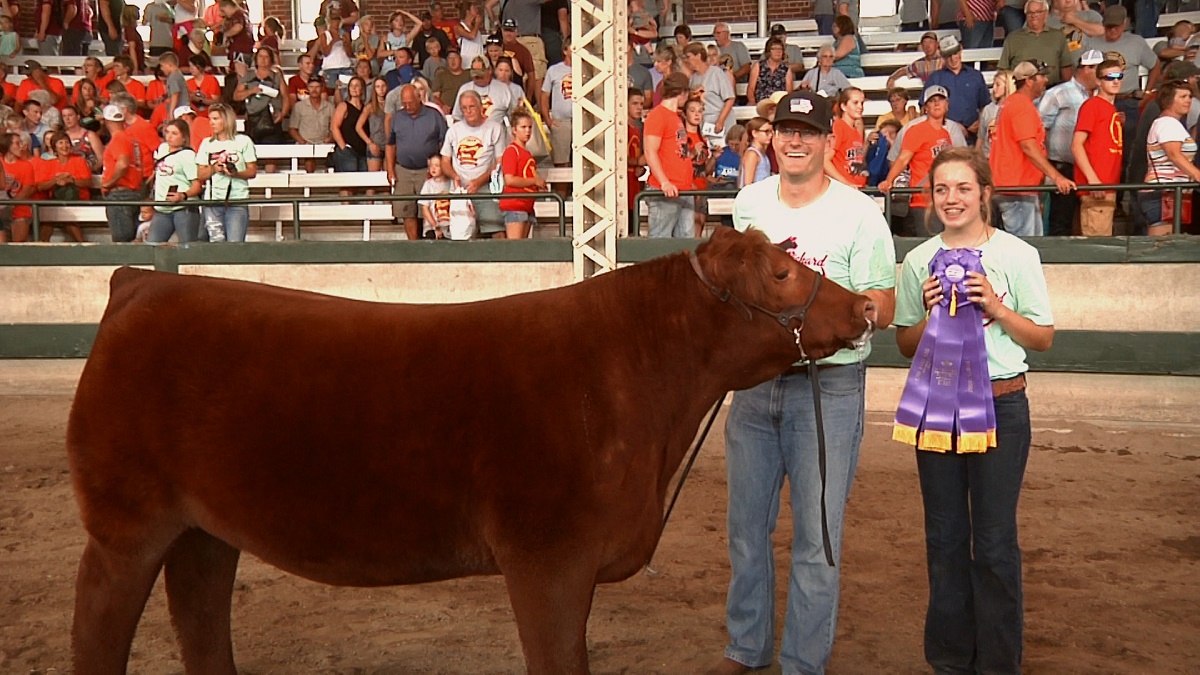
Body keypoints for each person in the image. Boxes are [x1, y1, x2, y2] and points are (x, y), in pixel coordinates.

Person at [713, 89, 896, 675]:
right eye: (785, 130)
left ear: (826, 141)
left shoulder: (861, 213)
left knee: (817, 537)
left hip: (829, 388)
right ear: (771, 138)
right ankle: (747, 648)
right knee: (746, 529)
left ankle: (802, 664)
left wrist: (838, 315)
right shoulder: (748, 205)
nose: (794, 140)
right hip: (756, 386)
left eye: (807, 132)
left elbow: (885, 304)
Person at [894, 146, 1054, 675]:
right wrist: (931, 308)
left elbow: (1044, 337)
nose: (951, 199)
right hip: (937, 406)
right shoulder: (919, 262)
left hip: (1002, 404)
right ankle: (949, 660)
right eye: (942, 189)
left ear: (985, 193)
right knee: (943, 537)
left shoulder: (1017, 255)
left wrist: (997, 307)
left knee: (993, 539)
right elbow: (905, 343)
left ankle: (999, 663)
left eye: (963, 188)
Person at [989, 60, 1075, 236]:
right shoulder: (1021, 105)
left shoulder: (1012, 103)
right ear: (1029, 80)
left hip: (1012, 187)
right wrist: (1057, 177)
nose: (1045, 80)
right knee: (1025, 246)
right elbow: (1028, 146)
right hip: (1017, 188)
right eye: (1041, 76)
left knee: (1030, 244)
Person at [1081, 5, 1160, 156]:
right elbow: (1084, 70)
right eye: (1108, 27)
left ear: (1124, 23)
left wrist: (1147, 93)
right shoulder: (1092, 43)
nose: (1112, 31)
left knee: (1128, 146)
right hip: (1101, 100)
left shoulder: (1136, 42)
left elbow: (1155, 65)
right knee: (1101, 144)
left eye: (1116, 27)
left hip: (1128, 100)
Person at [1038, 49, 1101, 236]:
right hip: (1062, 165)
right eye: (1099, 68)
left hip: (1088, 167)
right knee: (1060, 220)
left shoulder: (1099, 95)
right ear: (1087, 68)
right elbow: (1041, 129)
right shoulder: (1058, 93)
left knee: (1084, 220)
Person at [881, 85, 955, 234]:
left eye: (940, 100)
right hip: (923, 201)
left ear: (947, 105)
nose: (936, 104)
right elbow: (903, 159)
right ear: (925, 107)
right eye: (932, 101)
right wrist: (889, 180)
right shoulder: (917, 130)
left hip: (943, 200)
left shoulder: (945, 134)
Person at [440, 90, 506, 239]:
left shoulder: (494, 128)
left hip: (486, 189)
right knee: (461, 233)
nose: (468, 111)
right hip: (460, 192)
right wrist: (454, 175)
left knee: (495, 230)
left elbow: (499, 162)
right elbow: (445, 161)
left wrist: (479, 181)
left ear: (480, 107)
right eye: (464, 108)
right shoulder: (453, 131)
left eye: (472, 107)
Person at [387, 84, 449, 240]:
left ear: (419, 98)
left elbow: (446, 143)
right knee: (406, 209)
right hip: (404, 170)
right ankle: (413, 245)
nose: (407, 106)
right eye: (404, 103)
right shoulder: (397, 117)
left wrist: (441, 167)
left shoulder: (434, 115)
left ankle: (427, 243)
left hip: (427, 171)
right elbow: (390, 145)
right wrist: (390, 169)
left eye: (410, 103)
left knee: (427, 209)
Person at [1139, 80, 1200, 236]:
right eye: (1183, 96)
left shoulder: (1173, 124)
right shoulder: (1167, 124)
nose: (1188, 100)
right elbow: (1174, 154)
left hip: (1171, 192)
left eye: (1189, 96)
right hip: (1162, 192)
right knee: (1161, 246)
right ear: (1169, 100)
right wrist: (1197, 175)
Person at [1071, 58, 1124, 236]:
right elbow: (1076, 145)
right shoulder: (1093, 105)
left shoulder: (1110, 108)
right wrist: (1093, 180)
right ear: (1099, 81)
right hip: (1097, 187)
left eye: (1119, 76)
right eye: (1110, 77)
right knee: (1098, 245)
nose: (1115, 81)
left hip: (1107, 186)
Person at [196, 102, 257, 242]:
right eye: (210, 119)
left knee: (234, 245)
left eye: (215, 119)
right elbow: (200, 174)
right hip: (212, 201)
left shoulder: (244, 141)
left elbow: (252, 171)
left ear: (226, 119)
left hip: (237, 200)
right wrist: (214, 168)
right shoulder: (206, 143)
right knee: (216, 243)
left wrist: (235, 173)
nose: (211, 123)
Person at [642, 72, 693, 238]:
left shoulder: (675, 117)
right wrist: (664, 182)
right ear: (682, 92)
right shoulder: (658, 115)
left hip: (682, 188)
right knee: (660, 243)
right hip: (665, 190)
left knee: (685, 245)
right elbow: (650, 151)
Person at [927, 35, 990, 143]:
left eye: (955, 53)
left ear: (961, 49)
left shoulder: (975, 76)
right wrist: (953, 126)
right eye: (948, 56)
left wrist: (981, 122)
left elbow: (984, 105)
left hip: (974, 136)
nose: (953, 58)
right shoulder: (935, 78)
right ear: (942, 56)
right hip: (945, 137)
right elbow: (926, 110)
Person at [148, 118, 201, 243]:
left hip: (183, 209)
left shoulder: (188, 155)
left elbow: (197, 185)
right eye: (167, 132)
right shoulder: (162, 149)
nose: (169, 136)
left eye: (174, 133)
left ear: (184, 137)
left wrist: (183, 195)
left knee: (187, 247)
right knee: (152, 245)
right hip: (162, 208)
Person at [997, 0, 1073, 85]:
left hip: (1051, 90)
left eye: (1038, 12)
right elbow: (1003, 70)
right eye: (1029, 13)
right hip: (1022, 91)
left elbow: (1066, 68)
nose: (1033, 16)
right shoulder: (1013, 38)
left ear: (1046, 14)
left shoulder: (1058, 36)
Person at [98, 104, 144, 242]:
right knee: (131, 240)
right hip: (134, 192)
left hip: (120, 194)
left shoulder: (118, 139)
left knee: (122, 243)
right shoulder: (132, 140)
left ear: (106, 121)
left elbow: (123, 164)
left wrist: (108, 183)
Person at [33, 131, 89, 242]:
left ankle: (84, 249)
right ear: (54, 147)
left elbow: (87, 182)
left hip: (76, 201)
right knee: (48, 222)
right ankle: (39, 253)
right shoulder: (48, 164)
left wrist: (71, 180)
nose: (64, 146)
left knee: (67, 219)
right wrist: (55, 181)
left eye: (67, 142)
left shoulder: (79, 161)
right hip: (54, 203)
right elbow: (40, 186)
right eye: (60, 143)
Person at [498, 109, 545, 239]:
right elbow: (510, 180)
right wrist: (534, 181)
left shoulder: (527, 153)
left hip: (527, 204)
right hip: (515, 204)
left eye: (530, 127)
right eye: (523, 127)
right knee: (515, 248)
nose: (527, 131)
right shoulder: (511, 151)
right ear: (514, 130)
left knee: (522, 247)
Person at [685, 42, 736, 147]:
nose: (687, 60)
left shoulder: (716, 73)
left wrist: (720, 121)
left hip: (720, 125)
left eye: (689, 57)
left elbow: (730, 98)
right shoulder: (693, 78)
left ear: (698, 56)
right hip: (704, 126)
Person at [682, 97, 714, 235]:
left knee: (699, 225)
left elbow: (705, 170)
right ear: (685, 114)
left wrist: (714, 158)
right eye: (692, 111)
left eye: (700, 111)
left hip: (702, 188)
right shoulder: (682, 137)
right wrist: (693, 152)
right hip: (688, 188)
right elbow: (678, 163)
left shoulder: (703, 138)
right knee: (689, 228)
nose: (697, 114)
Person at [826, 87, 868, 187]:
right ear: (843, 106)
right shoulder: (839, 126)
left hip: (857, 187)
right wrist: (846, 183)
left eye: (862, 103)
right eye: (855, 102)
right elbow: (825, 161)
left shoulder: (855, 131)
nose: (860, 107)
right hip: (844, 189)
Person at [289, 77, 334, 171]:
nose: (314, 90)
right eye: (311, 87)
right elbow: (292, 128)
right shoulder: (299, 106)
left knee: (333, 155)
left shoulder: (330, 107)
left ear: (322, 88)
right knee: (309, 158)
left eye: (317, 87)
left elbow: (334, 127)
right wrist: (302, 141)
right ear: (307, 88)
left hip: (324, 142)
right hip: (305, 142)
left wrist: (329, 138)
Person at [540, 38, 572, 168]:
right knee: (561, 162)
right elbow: (544, 96)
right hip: (561, 121)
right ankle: (561, 189)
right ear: (565, 50)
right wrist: (548, 120)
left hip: (583, 121)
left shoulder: (587, 69)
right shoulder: (553, 70)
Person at [976, 70, 1012, 159]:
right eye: (993, 85)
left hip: (1007, 159)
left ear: (1008, 86)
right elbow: (981, 138)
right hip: (988, 157)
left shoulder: (1016, 109)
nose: (994, 88)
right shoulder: (988, 109)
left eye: (998, 85)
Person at [357, 77, 389, 174]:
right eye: (378, 87)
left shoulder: (391, 105)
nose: (381, 89)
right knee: (372, 180)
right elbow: (358, 127)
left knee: (388, 180)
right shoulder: (370, 106)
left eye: (383, 86)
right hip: (375, 144)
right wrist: (370, 143)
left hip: (388, 145)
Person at [747, 37, 793, 105]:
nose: (778, 51)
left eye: (780, 49)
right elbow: (750, 89)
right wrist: (754, 104)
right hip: (760, 103)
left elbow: (789, 92)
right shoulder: (758, 66)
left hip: (779, 105)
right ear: (769, 51)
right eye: (774, 49)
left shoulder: (786, 69)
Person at [61, 104, 104, 173]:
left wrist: (90, 171)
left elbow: (101, 158)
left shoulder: (90, 135)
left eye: (70, 115)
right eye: (64, 116)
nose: (67, 119)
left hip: (90, 174)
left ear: (78, 117)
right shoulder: (62, 136)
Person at [419, 154, 453, 238]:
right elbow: (425, 208)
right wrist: (434, 225)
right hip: (432, 227)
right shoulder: (428, 184)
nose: (433, 168)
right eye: (431, 165)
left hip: (450, 227)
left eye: (437, 165)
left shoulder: (452, 183)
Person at [432, 48, 470, 114]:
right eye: (450, 58)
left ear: (460, 59)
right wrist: (443, 106)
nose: (453, 60)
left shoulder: (469, 75)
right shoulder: (441, 76)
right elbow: (435, 96)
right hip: (447, 112)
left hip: (466, 110)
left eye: (455, 57)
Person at [739, 115, 772, 187]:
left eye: (771, 131)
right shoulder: (752, 154)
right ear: (754, 133)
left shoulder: (761, 153)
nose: (770, 135)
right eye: (767, 132)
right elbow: (748, 183)